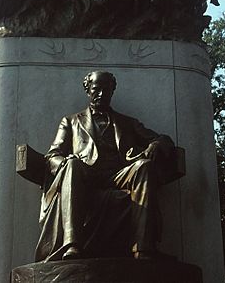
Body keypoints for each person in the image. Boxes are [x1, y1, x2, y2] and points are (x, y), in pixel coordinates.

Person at [35, 71, 174, 262]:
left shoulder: (127, 122)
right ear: (87, 90)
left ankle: (143, 247)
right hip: (85, 176)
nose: (101, 94)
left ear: (112, 92)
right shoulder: (71, 121)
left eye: (106, 90)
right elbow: (53, 155)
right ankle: (72, 244)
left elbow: (163, 139)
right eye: (96, 90)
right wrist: (65, 164)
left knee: (144, 167)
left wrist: (155, 145)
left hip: (118, 175)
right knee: (73, 164)